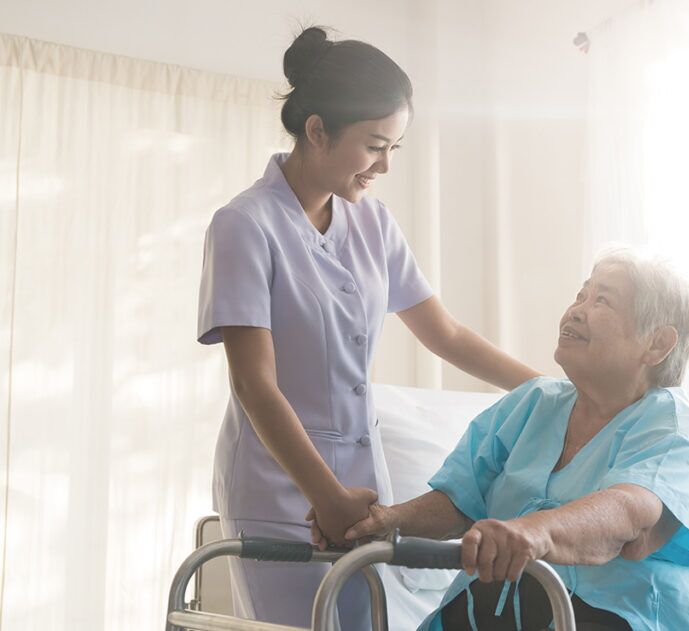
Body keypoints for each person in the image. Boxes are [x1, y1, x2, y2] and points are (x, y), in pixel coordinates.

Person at [196, 26, 539, 629]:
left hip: (363, 488)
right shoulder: (244, 226)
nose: (383, 165)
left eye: (393, 149)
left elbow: (446, 335)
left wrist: (551, 391)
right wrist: (324, 498)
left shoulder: (373, 223)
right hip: (281, 487)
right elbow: (255, 386)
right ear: (318, 131)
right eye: (374, 145)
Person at [344, 249, 689, 630]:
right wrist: (385, 522)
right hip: (509, 606)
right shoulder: (532, 404)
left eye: (602, 301)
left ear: (657, 344)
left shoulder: (672, 427)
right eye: (581, 295)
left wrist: (535, 532)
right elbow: (460, 500)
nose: (576, 311)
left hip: (637, 613)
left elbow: (630, 512)